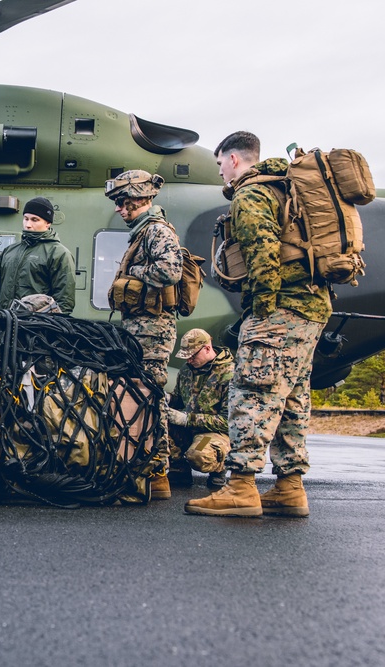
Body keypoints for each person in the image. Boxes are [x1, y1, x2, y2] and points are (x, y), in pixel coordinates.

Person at [186, 131, 330, 518]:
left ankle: (241, 487)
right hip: (311, 310)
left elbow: (263, 253)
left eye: (220, 165)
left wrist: (261, 313)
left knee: (252, 392)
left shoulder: (252, 194)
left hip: (278, 312)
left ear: (234, 160)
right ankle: (289, 486)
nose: (220, 174)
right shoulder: (286, 188)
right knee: (292, 399)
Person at [104, 170, 182, 500]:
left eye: (123, 203)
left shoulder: (156, 231)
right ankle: (154, 471)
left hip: (153, 330)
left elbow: (170, 269)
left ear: (139, 199)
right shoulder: (143, 232)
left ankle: (158, 472)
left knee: (151, 398)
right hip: (142, 329)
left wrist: (134, 271)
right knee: (145, 397)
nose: (120, 210)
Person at [165, 329, 234, 490]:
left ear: (207, 349)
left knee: (199, 455)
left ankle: (219, 470)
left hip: (211, 434)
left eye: (193, 355)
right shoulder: (186, 370)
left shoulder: (229, 375)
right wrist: (168, 399)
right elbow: (180, 398)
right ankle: (179, 470)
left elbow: (228, 422)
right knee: (156, 430)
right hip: (187, 429)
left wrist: (187, 419)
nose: (189, 360)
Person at [0, 196, 76, 313]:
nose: (28, 224)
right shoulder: (9, 251)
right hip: (4, 324)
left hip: (35, 328)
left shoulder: (59, 254)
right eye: (26, 218)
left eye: (34, 220)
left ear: (47, 223)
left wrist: (44, 326)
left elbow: (65, 301)